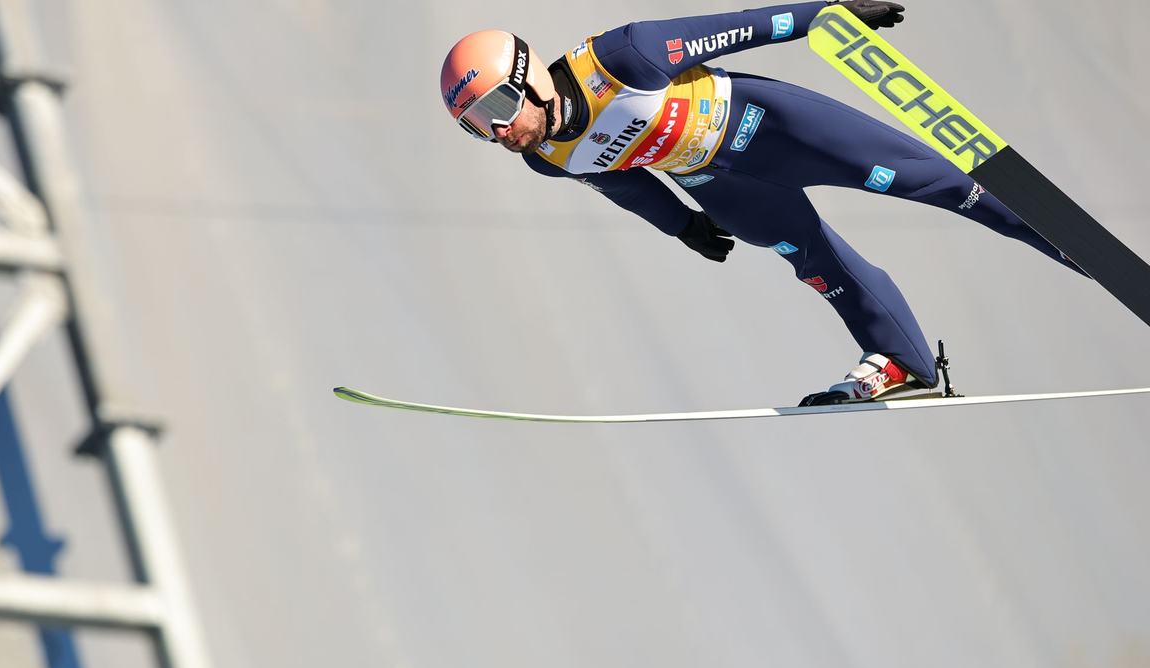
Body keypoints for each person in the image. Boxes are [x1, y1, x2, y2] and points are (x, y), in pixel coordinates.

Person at [438, 1, 1086, 406]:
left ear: (530, 78)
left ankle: (1073, 245)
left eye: (495, 108)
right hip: (720, 186)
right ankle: (902, 361)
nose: (496, 133)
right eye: (474, 126)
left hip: (769, 127)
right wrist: (682, 225)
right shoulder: (544, 155)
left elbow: (739, 29)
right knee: (817, 264)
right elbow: (620, 180)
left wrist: (827, 14)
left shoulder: (622, 56)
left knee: (939, 183)